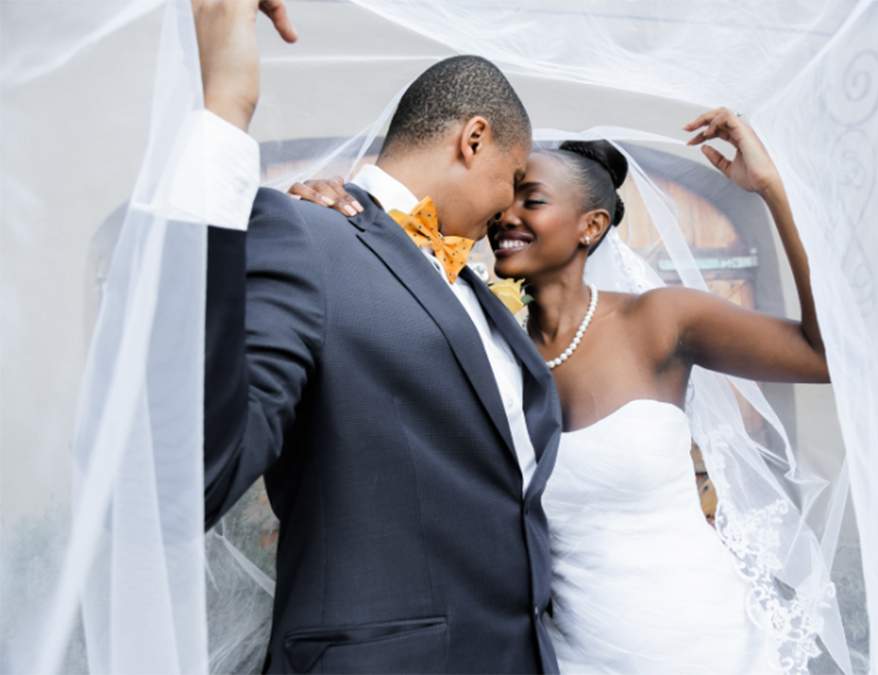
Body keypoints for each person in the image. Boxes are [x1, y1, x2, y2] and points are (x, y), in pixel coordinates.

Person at [295, 110, 832, 673]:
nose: (507, 215)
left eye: (533, 200)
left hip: (707, 646)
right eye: (507, 196)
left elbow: (822, 356)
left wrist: (771, 188)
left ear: (591, 226)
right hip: (572, 658)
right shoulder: (489, 349)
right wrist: (334, 217)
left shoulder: (659, 322)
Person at [187, 1, 562, 671]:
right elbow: (200, 471)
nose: (510, 208)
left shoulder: (483, 296)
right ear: (473, 139)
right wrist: (225, 111)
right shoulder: (305, 233)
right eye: (513, 178)